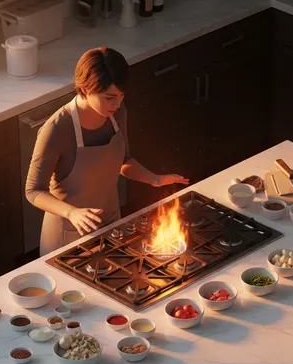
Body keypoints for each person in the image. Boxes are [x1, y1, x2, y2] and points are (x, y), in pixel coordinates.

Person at [26, 47, 189, 256]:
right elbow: (33, 191)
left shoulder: (118, 113)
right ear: (85, 89)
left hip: (111, 225)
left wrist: (154, 179)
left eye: (121, 96)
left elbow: (124, 161)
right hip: (68, 235)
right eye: (109, 97)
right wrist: (72, 213)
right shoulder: (57, 129)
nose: (117, 103)